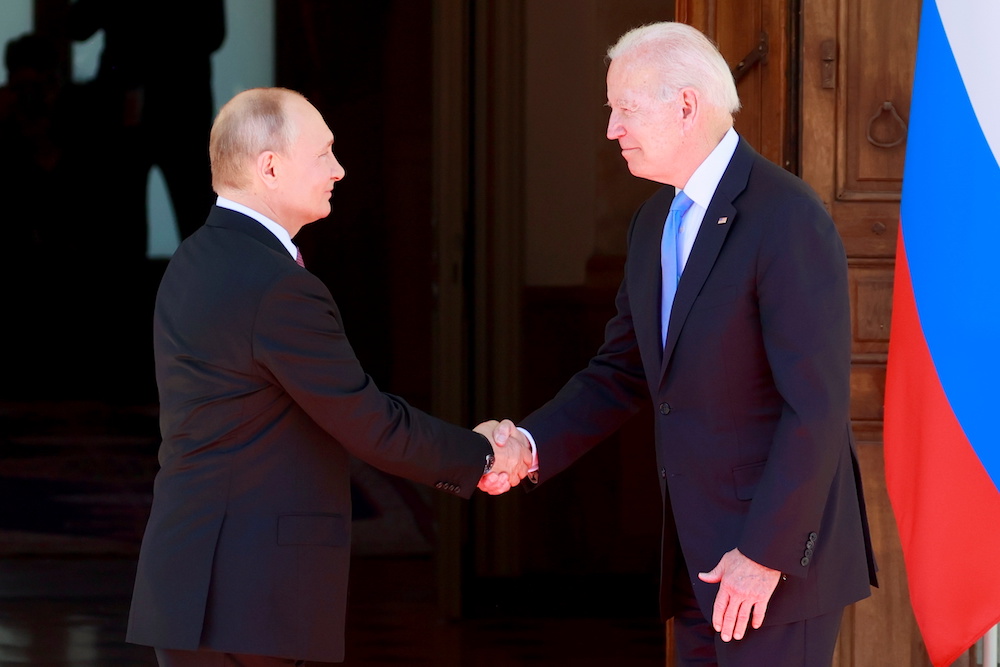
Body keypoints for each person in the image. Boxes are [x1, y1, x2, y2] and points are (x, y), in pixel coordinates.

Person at [482, 22, 877, 666]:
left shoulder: (786, 217)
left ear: (686, 105)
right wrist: (528, 447)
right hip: (695, 559)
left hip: (770, 565)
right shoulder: (652, 222)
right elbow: (622, 370)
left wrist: (764, 555)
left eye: (625, 109)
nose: (612, 128)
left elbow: (817, 407)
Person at [126, 87, 532, 666]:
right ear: (270, 167)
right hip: (248, 597)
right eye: (324, 154)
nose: (339, 170)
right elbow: (369, 423)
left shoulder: (193, 258)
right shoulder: (277, 286)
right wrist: (483, 455)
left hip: (191, 583)